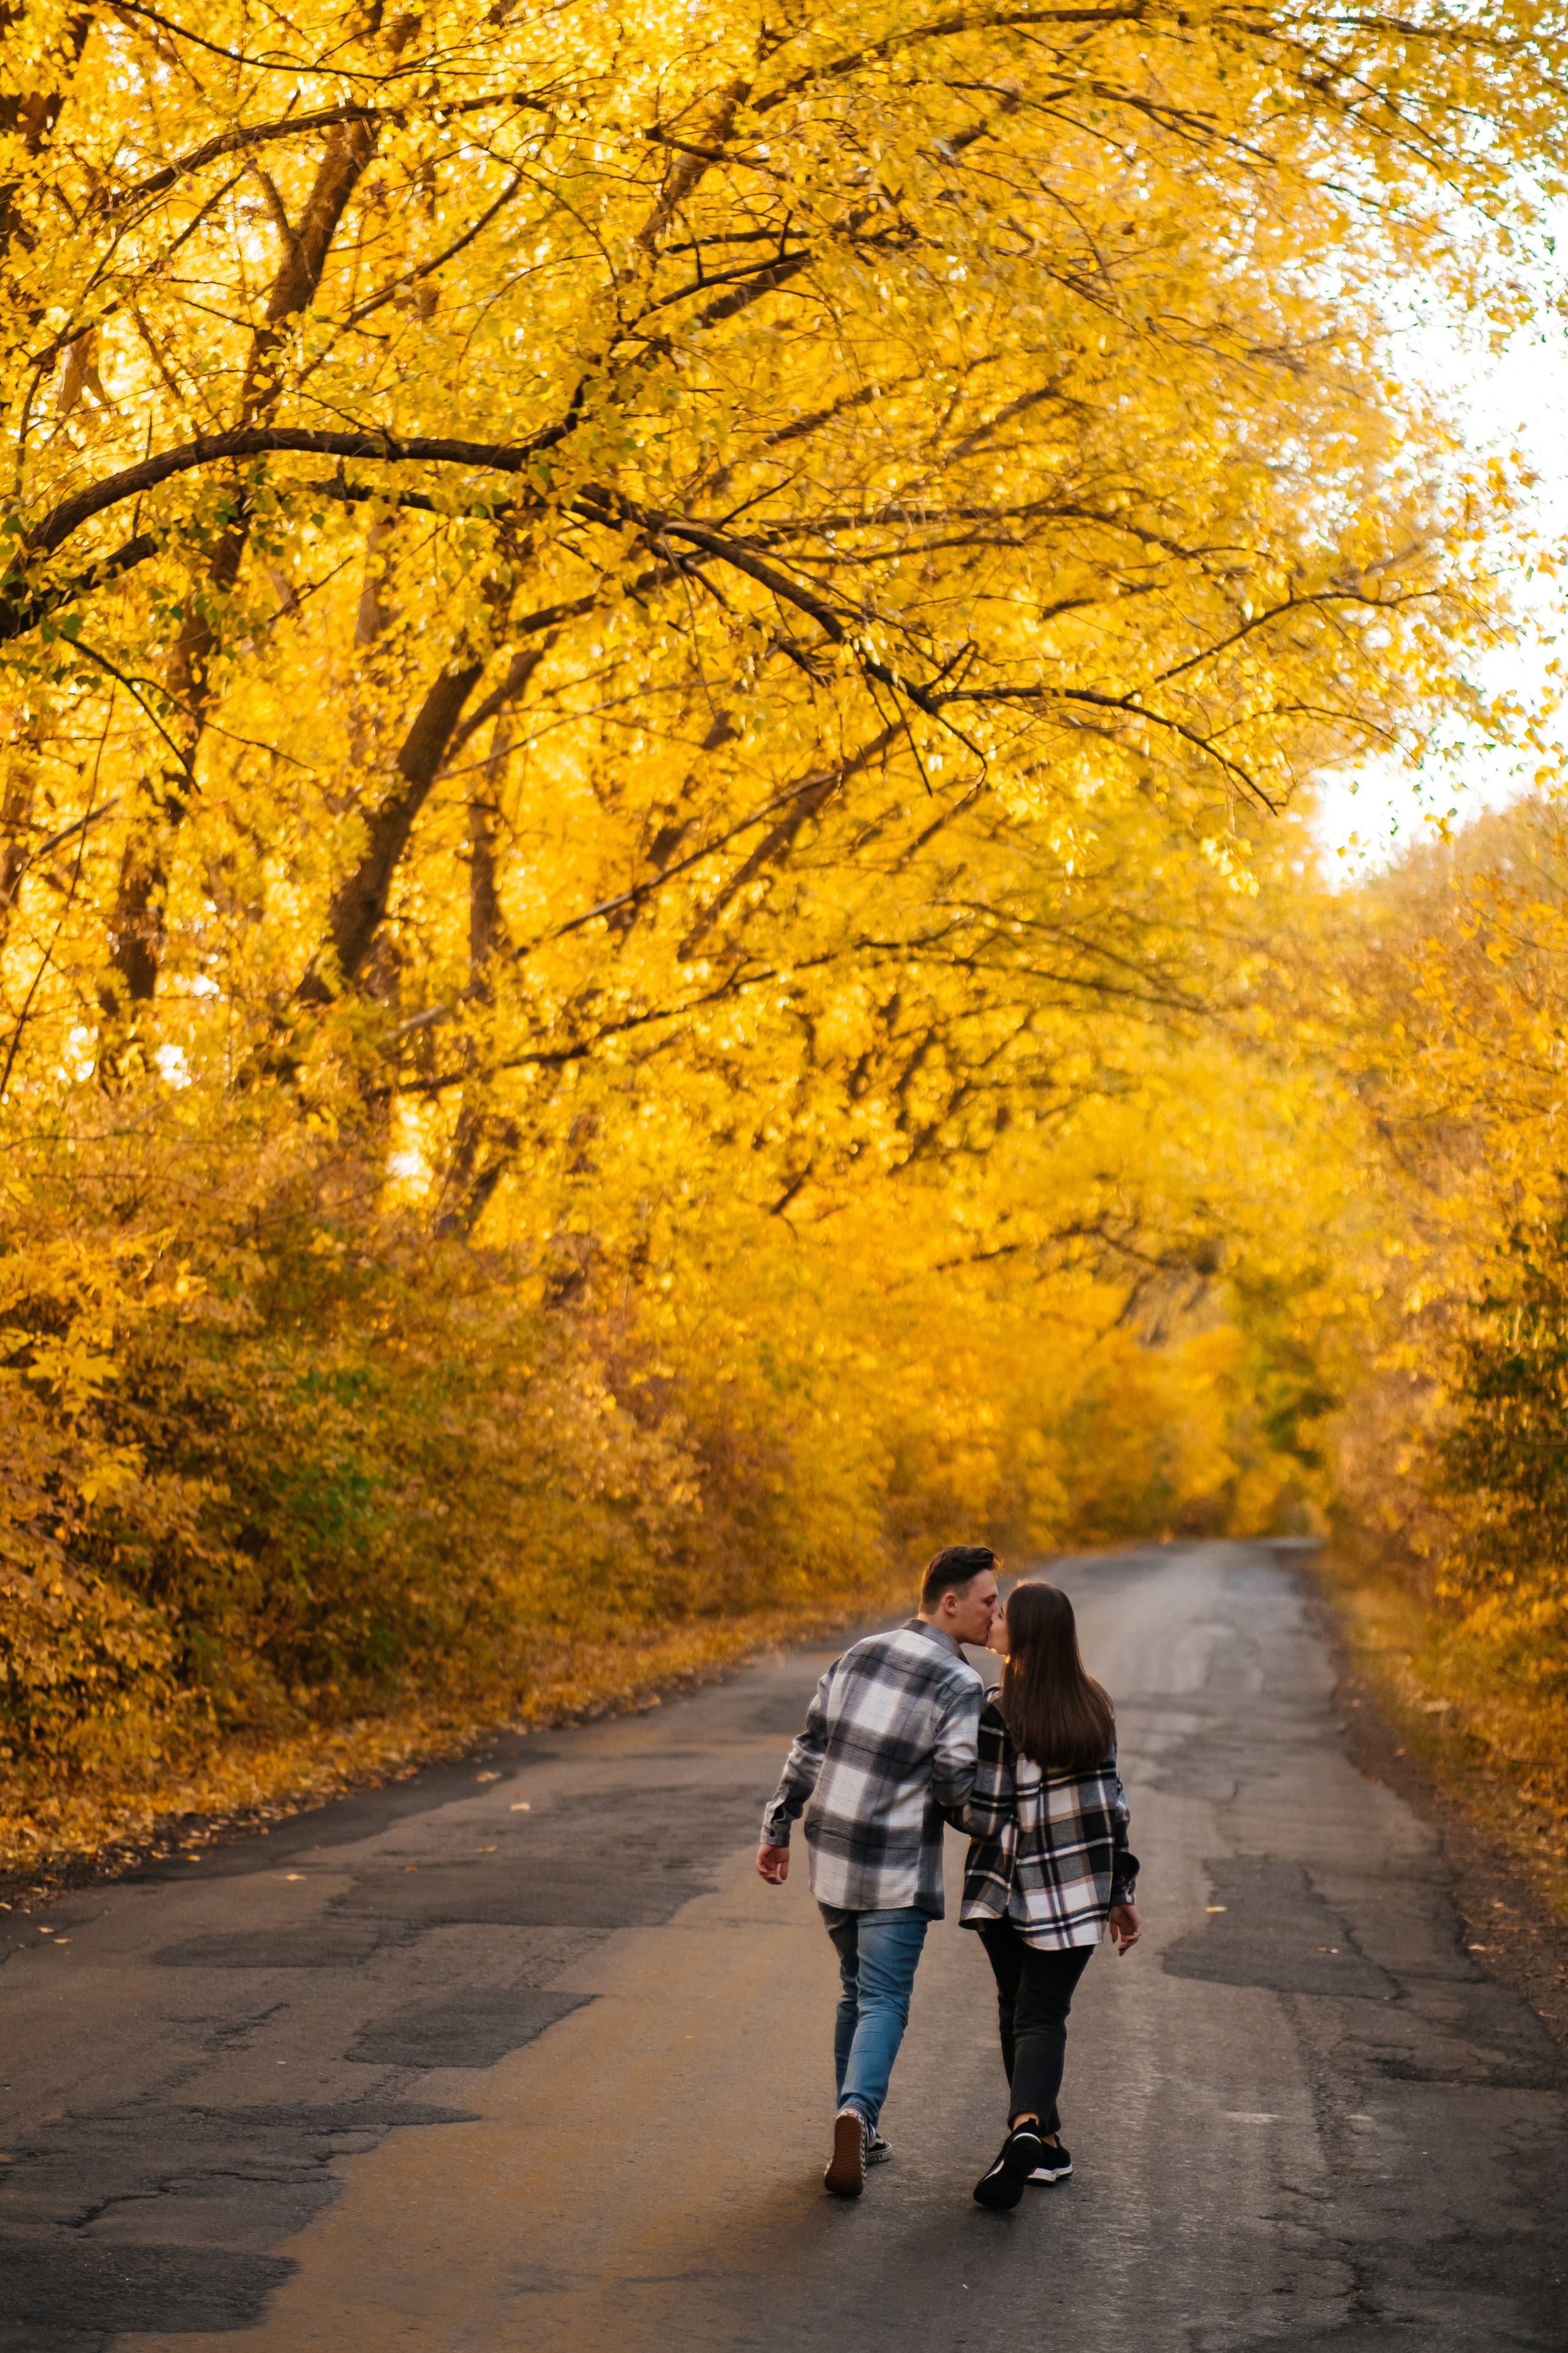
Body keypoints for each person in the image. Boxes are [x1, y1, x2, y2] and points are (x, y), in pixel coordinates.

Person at [757, 1544, 1003, 2199]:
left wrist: (777, 1827)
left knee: (854, 1988)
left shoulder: (860, 1650)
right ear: (949, 1602)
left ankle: (859, 2126)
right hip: (895, 1860)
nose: (995, 1612)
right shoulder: (960, 1683)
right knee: (884, 1997)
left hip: (831, 1848)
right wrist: (994, 1824)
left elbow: (810, 1744)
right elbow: (954, 1782)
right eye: (987, 1600)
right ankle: (858, 2114)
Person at [953, 1578, 1141, 2211]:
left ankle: (1025, 2125)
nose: (995, 1617)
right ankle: (1048, 2147)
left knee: (1023, 2010)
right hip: (1081, 1889)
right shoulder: (1096, 1705)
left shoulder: (1000, 1709)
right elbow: (1113, 1806)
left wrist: (941, 1793)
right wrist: (1121, 1890)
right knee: (1037, 2012)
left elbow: (985, 1813)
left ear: (1027, 1632)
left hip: (1010, 1891)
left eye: (1005, 1612)